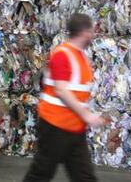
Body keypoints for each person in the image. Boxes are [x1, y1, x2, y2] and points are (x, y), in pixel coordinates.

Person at [24, 13, 105, 182]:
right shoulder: (63, 54)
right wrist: (87, 116)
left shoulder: (80, 55)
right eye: (91, 30)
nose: (93, 34)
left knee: (84, 177)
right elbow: (61, 91)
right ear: (84, 32)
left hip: (74, 128)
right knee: (41, 173)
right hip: (55, 126)